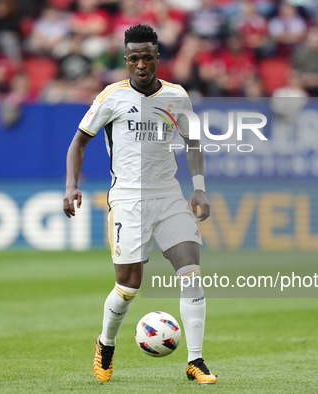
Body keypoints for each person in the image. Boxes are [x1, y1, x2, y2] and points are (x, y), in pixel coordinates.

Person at [62, 24, 216, 385]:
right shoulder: (111, 97)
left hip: (168, 196)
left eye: (147, 57)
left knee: (191, 271)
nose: (141, 65)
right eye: (134, 59)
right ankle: (106, 342)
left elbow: (192, 142)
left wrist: (199, 188)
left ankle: (195, 361)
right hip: (128, 199)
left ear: (158, 57)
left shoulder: (177, 96)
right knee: (129, 285)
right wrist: (71, 186)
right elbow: (78, 144)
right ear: (126, 60)